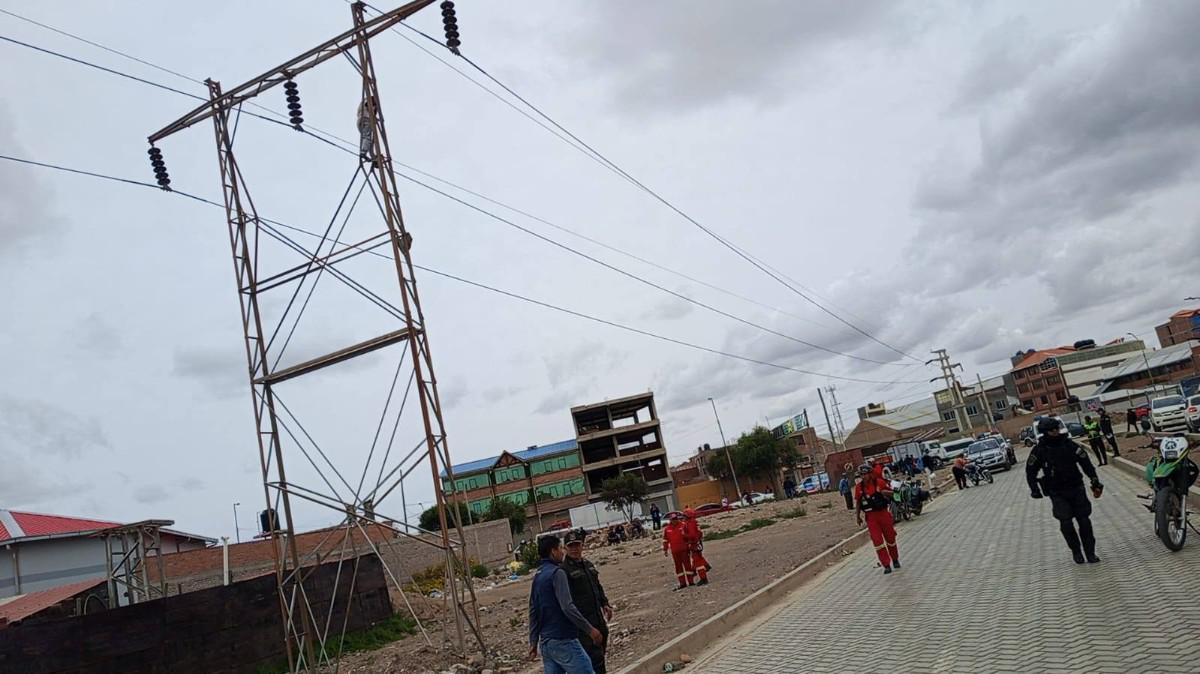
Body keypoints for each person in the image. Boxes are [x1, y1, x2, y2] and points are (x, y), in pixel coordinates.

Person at [1026, 417, 1104, 565]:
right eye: (1052, 430)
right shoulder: (1040, 450)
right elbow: (1030, 471)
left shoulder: (1069, 445)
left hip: (1076, 487)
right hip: (1057, 492)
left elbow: (1085, 463)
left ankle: (1090, 553)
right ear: (1045, 432)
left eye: (1056, 428)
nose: (1055, 432)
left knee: (1084, 521)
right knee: (1066, 523)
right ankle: (1076, 551)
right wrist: (1034, 489)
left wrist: (1094, 480)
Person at [528, 535, 603, 674]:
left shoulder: (538, 575)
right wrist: (590, 630)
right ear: (553, 551)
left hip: (547, 644)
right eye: (560, 548)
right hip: (563, 639)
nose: (562, 552)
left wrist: (533, 641)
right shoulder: (557, 573)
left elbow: (533, 610)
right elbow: (567, 607)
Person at [563, 531, 613, 674]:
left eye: (577, 545)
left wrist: (605, 604)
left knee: (601, 653)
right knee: (594, 658)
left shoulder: (588, 565)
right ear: (565, 548)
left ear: (582, 545)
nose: (574, 549)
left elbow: (597, 586)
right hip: (583, 624)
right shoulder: (564, 571)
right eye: (571, 546)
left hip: (598, 618)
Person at [854, 464, 900, 574]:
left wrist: (884, 492)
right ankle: (886, 564)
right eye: (862, 475)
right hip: (871, 517)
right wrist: (857, 517)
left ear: (870, 474)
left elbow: (893, 494)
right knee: (877, 541)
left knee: (890, 538)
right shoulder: (859, 487)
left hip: (883, 514)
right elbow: (858, 503)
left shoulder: (879, 482)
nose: (864, 477)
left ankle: (895, 559)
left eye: (865, 474)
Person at [661, 513, 694, 590]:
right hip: (675, 551)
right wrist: (665, 550)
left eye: (676, 518)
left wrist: (690, 545)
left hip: (684, 550)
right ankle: (682, 583)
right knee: (678, 567)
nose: (675, 520)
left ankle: (691, 581)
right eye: (673, 519)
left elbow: (689, 536)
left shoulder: (683, 525)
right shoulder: (667, 529)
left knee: (687, 566)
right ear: (670, 520)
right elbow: (665, 540)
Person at [681, 508, 710, 585]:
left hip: (694, 544)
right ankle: (704, 567)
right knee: (697, 559)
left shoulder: (690, 523)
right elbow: (698, 533)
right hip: (696, 543)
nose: (683, 517)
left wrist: (684, 535)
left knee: (698, 562)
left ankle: (703, 578)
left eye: (684, 515)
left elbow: (692, 535)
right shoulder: (693, 522)